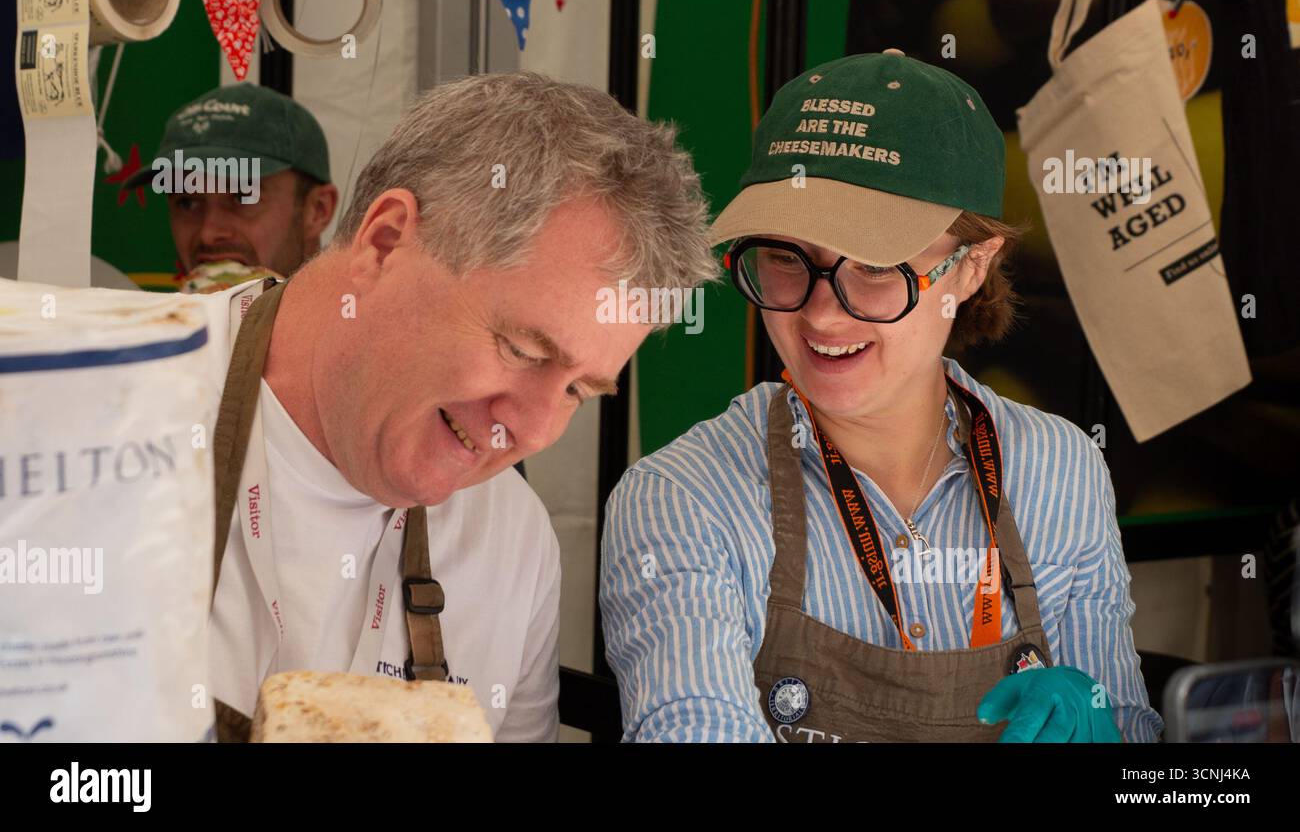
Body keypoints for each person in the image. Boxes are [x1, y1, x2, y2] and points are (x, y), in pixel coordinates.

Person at [600, 50, 1163, 742]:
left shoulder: (1061, 470)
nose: (822, 316)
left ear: (971, 268)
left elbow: (1135, 744)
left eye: (872, 266)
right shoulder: (684, 499)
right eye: (784, 258)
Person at [196, 71, 715, 741]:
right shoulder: (96, 417)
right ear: (384, 242)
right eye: (524, 350)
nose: (531, 429)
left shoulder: (515, 542)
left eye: (576, 391)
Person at [121, 83, 339, 286]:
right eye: (187, 203)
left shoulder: (360, 321)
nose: (208, 233)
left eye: (242, 196)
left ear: (318, 210)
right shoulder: (155, 324)